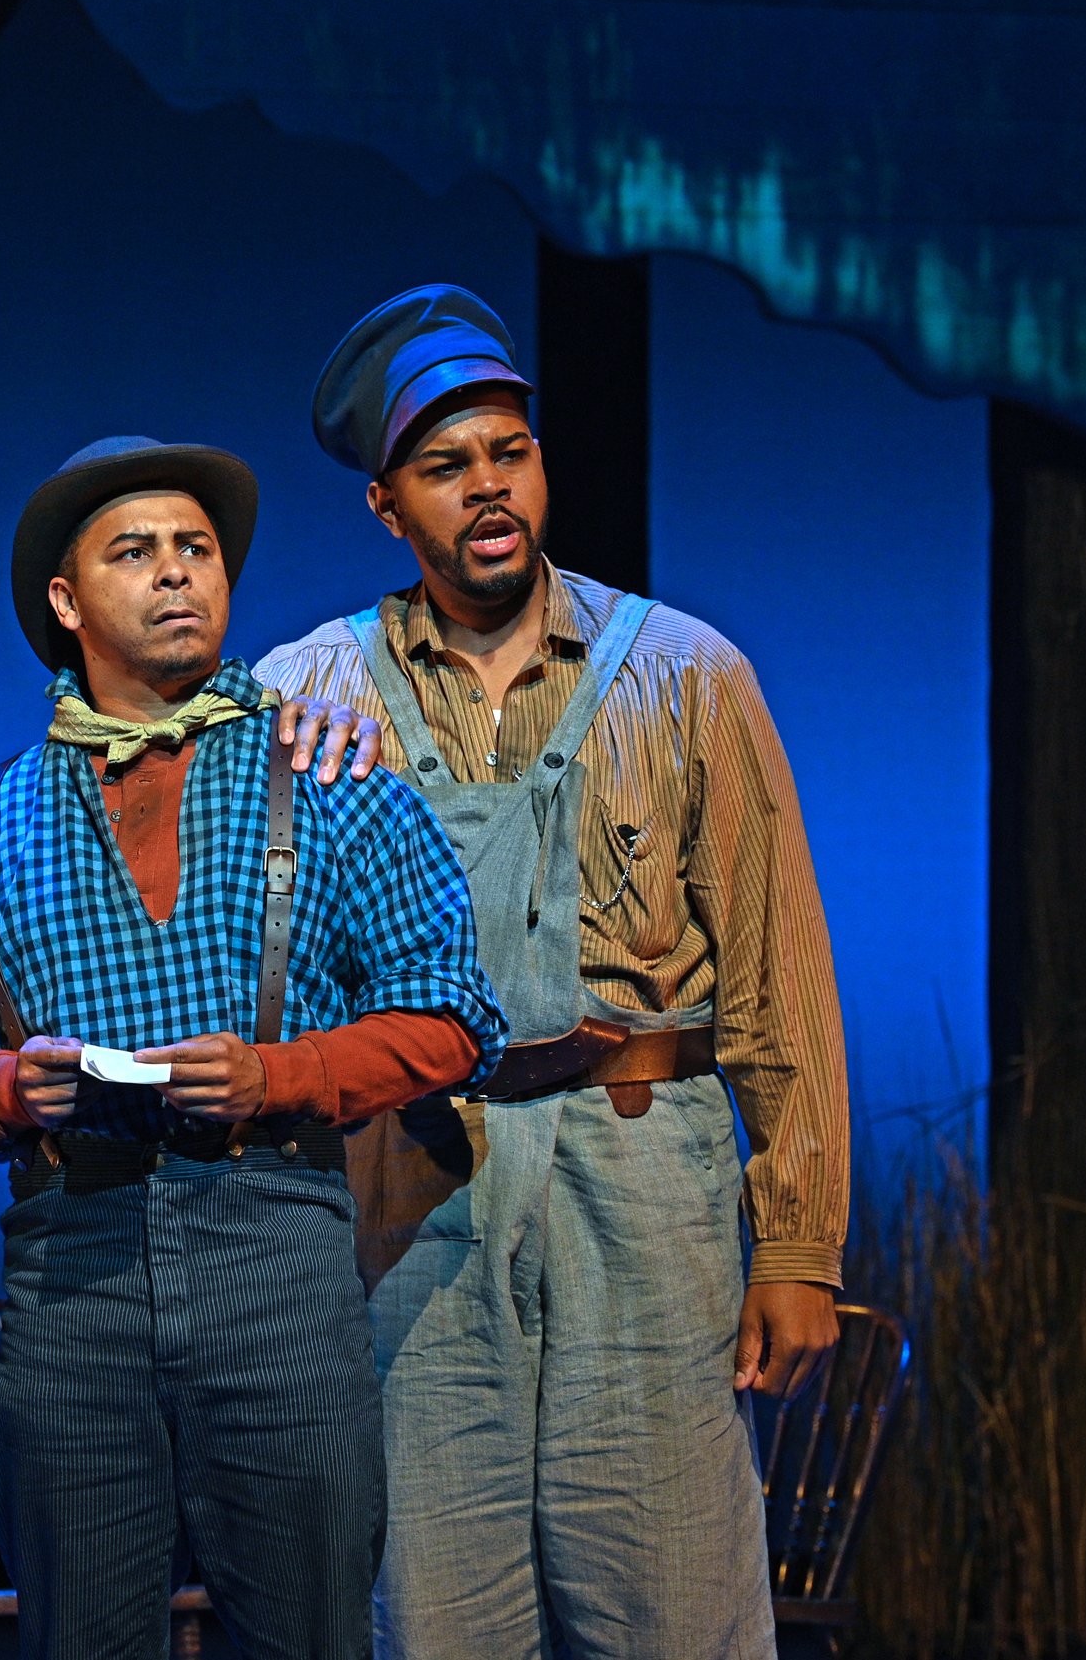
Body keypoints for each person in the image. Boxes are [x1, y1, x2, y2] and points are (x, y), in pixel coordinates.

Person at [0, 437, 507, 1660]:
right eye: (133, 552)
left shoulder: (335, 778)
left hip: (277, 1251)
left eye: (195, 548)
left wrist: (280, 1075)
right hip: (70, 1272)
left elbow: (452, 1016)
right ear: (65, 600)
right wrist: (3, 1086)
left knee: (306, 1630)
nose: (175, 574)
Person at [254, 285, 852, 1659]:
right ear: (388, 506)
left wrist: (801, 1241)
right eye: (446, 466)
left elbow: (780, 978)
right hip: (414, 1189)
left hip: (641, 1180)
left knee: (672, 1605)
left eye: (507, 453)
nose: (487, 490)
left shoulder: (688, 675)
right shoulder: (306, 693)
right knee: (433, 1612)